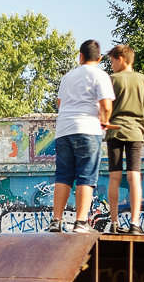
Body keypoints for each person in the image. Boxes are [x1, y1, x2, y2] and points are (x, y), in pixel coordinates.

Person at [48, 39, 115, 234]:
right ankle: (80, 222)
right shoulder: (100, 75)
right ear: (100, 58)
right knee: (86, 175)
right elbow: (106, 105)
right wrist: (105, 120)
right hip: (87, 129)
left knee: (63, 175)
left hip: (64, 130)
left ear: (81, 56)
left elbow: (60, 103)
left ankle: (56, 220)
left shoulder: (68, 76)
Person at [106, 44, 144, 235]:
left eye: (112, 61)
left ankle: (114, 222)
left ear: (121, 58)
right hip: (135, 133)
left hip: (114, 132)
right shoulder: (143, 79)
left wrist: (103, 121)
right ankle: (135, 223)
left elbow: (104, 106)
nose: (112, 65)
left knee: (114, 178)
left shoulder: (111, 79)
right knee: (134, 177)